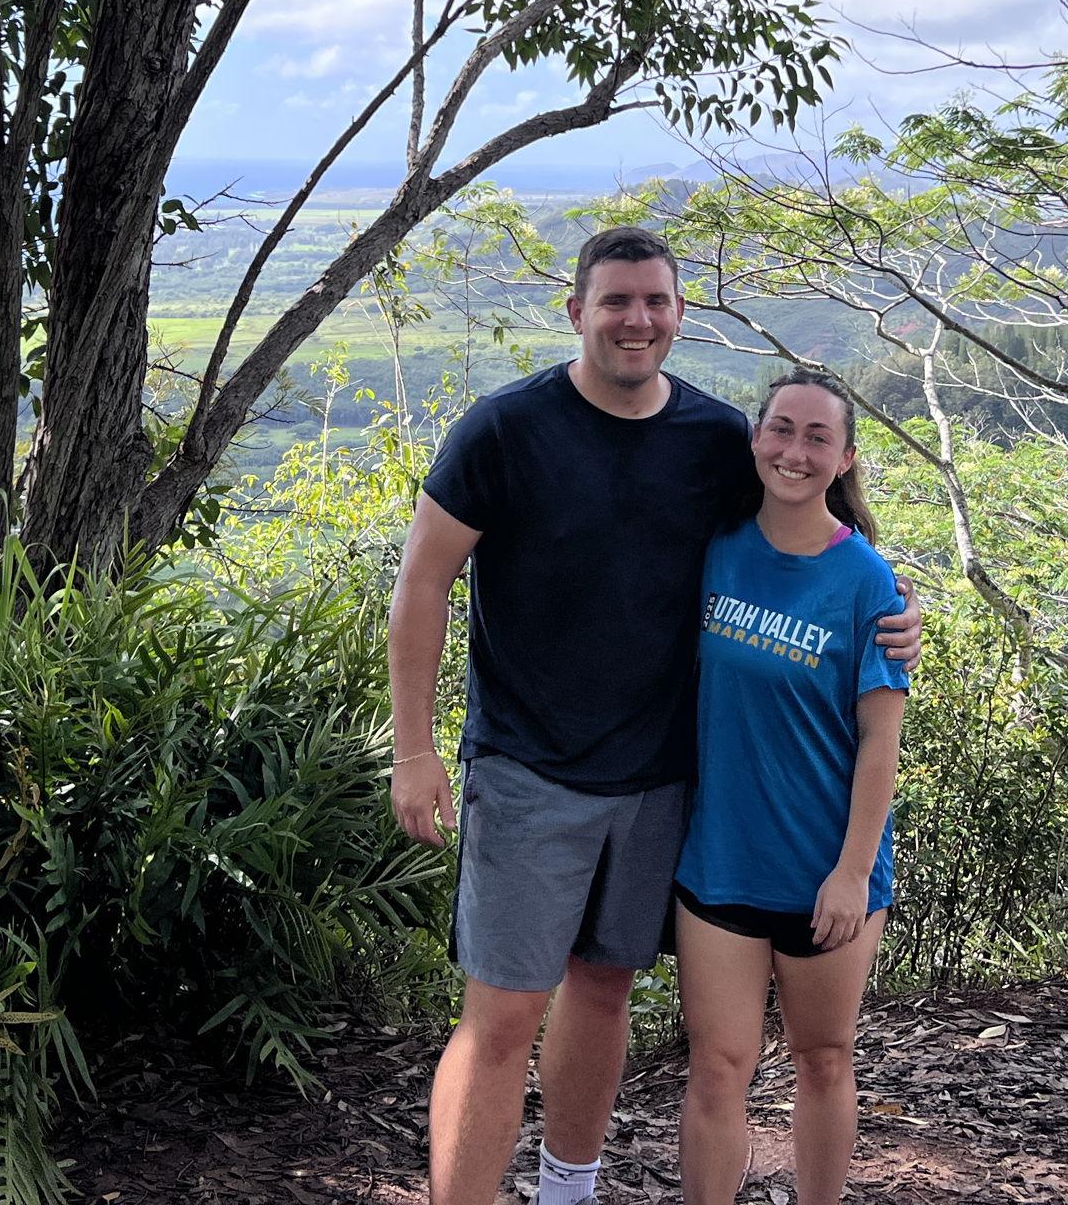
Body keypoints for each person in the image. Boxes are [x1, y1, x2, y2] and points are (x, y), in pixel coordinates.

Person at [388, 227, 920, 1205]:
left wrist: (890, 606)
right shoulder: (504, 429)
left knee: (603, 988)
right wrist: (414, 749)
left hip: (658, 783)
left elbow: (804, 525)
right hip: (527, 770)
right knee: (502, 1015)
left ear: (678, 313)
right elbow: (423, 579)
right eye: (615, 300)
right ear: (576, 312)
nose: (636, 319)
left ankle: (567, 1188)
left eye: (655, 301)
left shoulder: (715, 439)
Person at [673, 371, 909, 1205]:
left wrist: (851, 872)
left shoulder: (868, 582)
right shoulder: (715, 549)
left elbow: (880, 741)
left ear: (844, 459)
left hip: (827, 872)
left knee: (824, 1059)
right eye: (781, 429)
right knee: (717, 1066)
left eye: (817, 437)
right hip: (721, 862)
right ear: (756, 439)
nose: (795, 451)